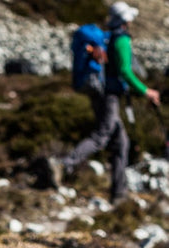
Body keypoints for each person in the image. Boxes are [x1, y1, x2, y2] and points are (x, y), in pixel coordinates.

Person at [48, 2, 161, 204]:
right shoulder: (121, 40)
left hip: (99, 92)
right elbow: (125, 71)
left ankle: (119, 194)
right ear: (126, 20)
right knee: (103, 134)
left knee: (121, 143)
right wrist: (147, 92)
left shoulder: (108, 37)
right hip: (108, 95)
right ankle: (65, 164)